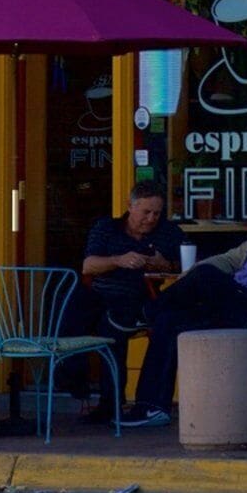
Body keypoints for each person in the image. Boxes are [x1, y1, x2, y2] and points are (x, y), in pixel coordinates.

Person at [127, 170, 247, 424]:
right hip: (232, 306)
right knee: (170, 320)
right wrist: (190, 274)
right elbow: (230, 259)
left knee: (205, 276)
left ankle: (142, 315)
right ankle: (151, 408)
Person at [64, 181, 177, 427]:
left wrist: (160, 264)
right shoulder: (107, 228)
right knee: (70, 310)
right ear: (130, 206)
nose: (151, 218)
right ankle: (73, 381)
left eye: (156, 213)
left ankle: (110, 405)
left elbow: (178, 266)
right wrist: (119, 260)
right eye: (146, 212)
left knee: (110, 327)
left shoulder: (167, 232)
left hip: (137, 297)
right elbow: (88, 265)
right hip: (99, 293)